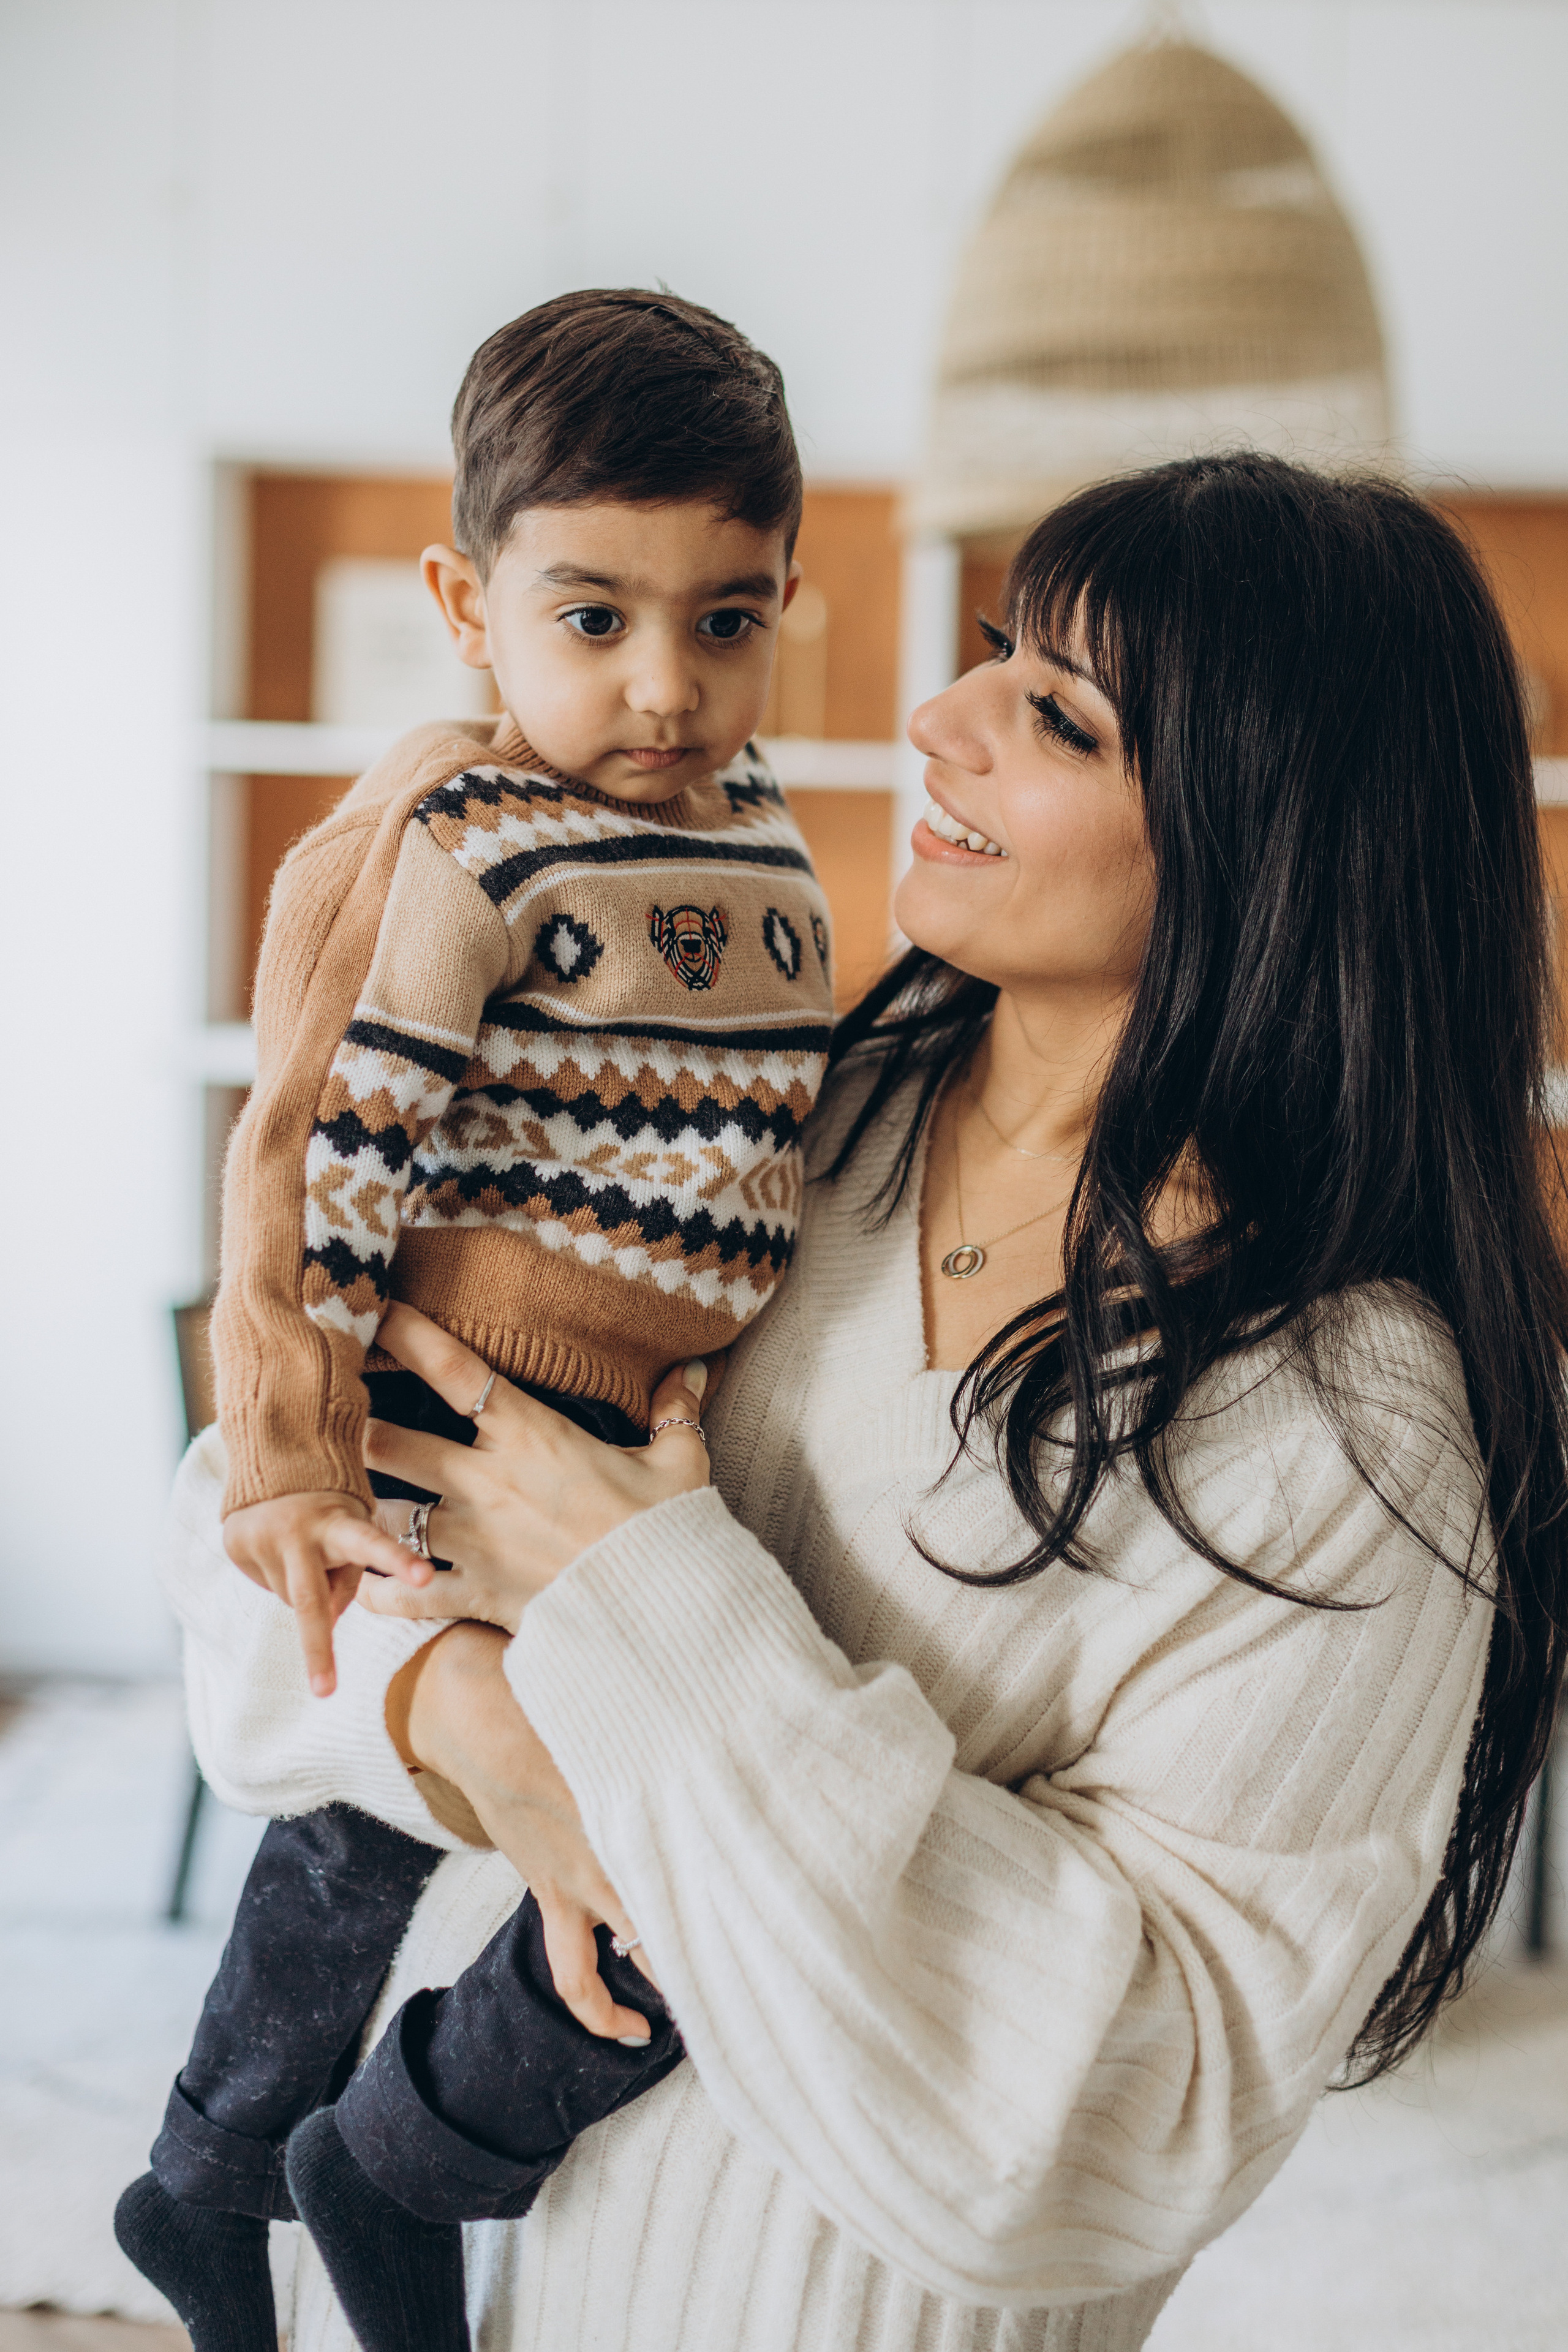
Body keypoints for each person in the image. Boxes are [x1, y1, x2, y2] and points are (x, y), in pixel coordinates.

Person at [157, 454, 1567, 2352]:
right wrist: (463, 1710)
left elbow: (1093, 2133)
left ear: (1267, 841)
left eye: (1053, 713)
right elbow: (249, 1538)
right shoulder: (758, 1121)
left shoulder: (1346, 1431)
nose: (935, 717)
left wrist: (647, 1586)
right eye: (994, 653)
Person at [115, 288, 834, 2351]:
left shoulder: (766, 827)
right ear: (467, 598)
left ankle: (322, 2164)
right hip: (460, 1418)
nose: (665, 683)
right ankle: (266, 2169)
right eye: (592, 616)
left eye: (728, 618)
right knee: (396, 1840)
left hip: (632, 1450)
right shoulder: (462, 834)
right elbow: (320, 1151)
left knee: (567, 1860)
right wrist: (289, 1449)